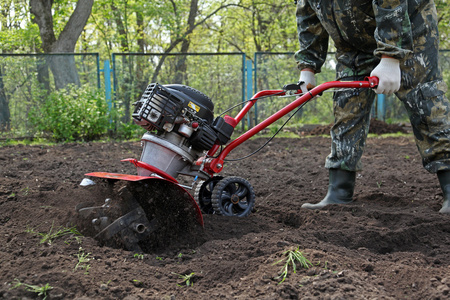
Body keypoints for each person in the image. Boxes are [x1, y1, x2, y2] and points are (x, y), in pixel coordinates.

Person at [294, 0, 450, 213]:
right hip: (352, 44)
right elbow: (308, 14)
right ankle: (339, 192)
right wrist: (308, 66)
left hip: (410, 31)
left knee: (425, 102)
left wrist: (391, 56)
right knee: (346, 107)